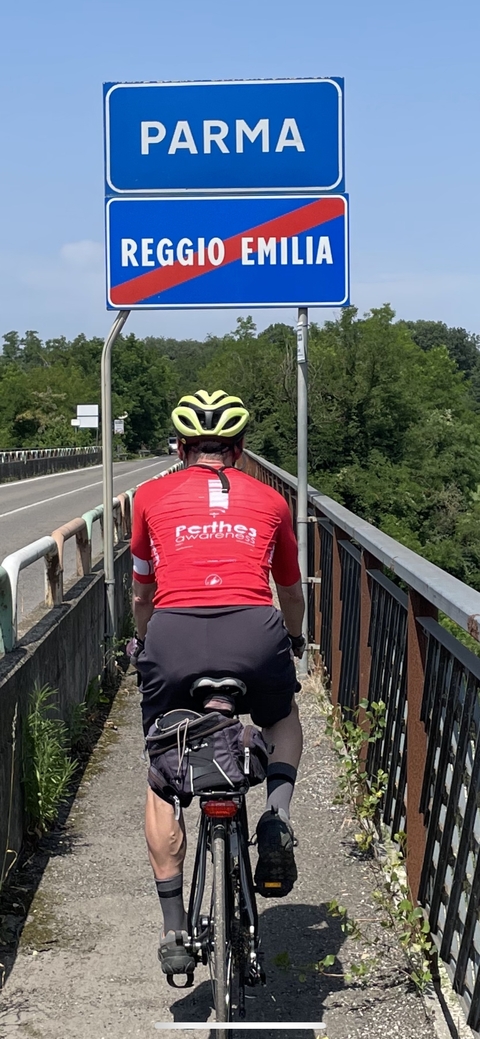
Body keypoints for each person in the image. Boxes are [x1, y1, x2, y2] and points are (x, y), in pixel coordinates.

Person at [130, 389, 306, 978]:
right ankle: (275, 816)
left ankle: (175, 928)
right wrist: (295, 641)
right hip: (253, 634)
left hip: (174, 636)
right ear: (240, 448)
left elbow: (140, 591)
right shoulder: (272, 501)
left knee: (161, 761)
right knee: (282, 716)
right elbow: (291, 591)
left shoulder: (150, 497)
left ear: (180, 448)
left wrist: (144, 639)